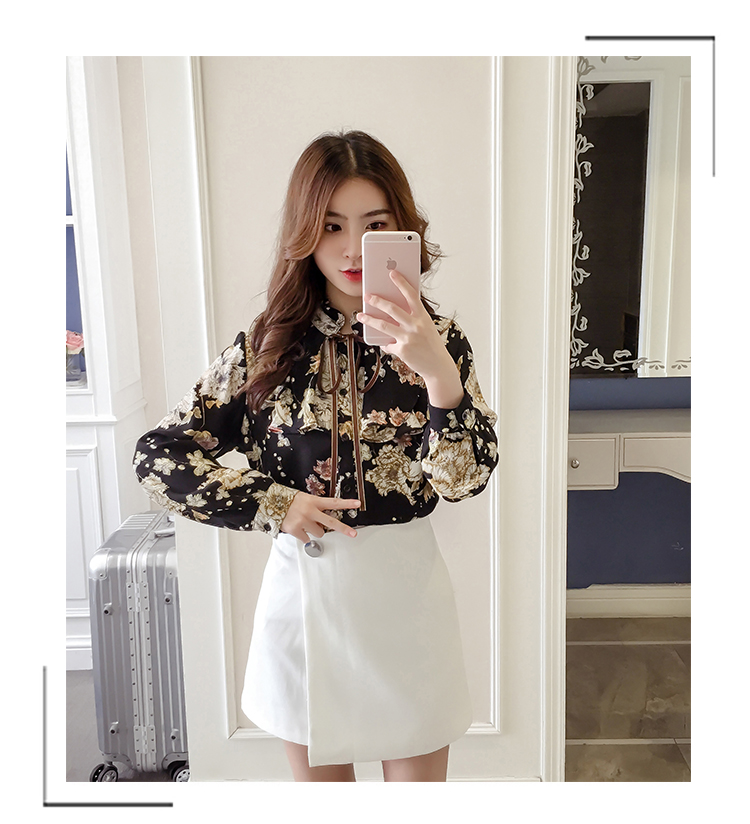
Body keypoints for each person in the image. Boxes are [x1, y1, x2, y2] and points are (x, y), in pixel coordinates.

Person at [133, 130, 498, 782]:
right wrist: (276, 504)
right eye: (331, 225)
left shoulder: (442, 342)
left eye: (374, 225)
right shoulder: (267, 347)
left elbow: (463, 482)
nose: (353, 247)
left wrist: (438, 374)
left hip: (407, 606)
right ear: (304, 233)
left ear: (402, 230)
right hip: (303, 604)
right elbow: (159, 457)